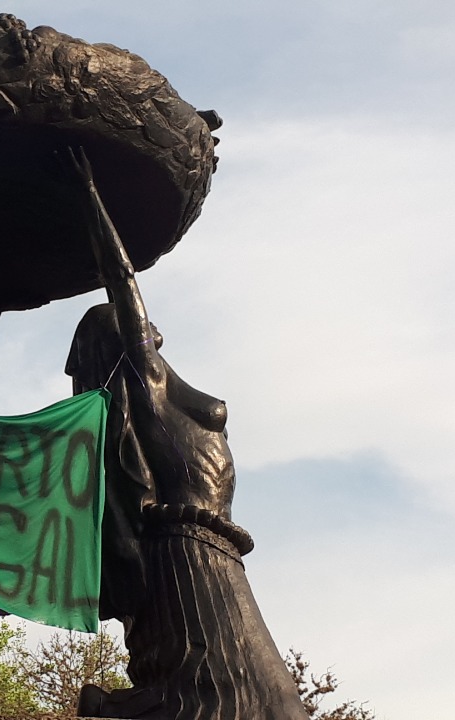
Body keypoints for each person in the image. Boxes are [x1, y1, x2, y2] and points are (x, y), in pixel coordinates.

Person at [60, 148, 307, 720]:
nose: (142, 321)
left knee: (274, 704)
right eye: (124, 321)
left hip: (218, 560)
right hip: (190, 568)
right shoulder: (148, 391)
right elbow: (120, 280)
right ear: (119, 344)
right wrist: (91, 195)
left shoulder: (167, 390)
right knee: (253, 703)